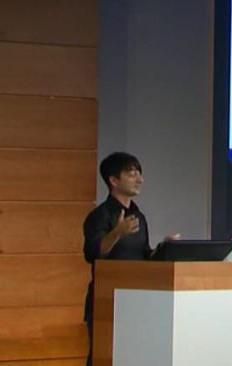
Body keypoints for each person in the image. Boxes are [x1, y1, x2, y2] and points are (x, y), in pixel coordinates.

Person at [81, 152, 176, 365]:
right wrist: (117, 233)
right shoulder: (100, 216)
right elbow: (93, 253)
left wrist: (164, 248)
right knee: (104, 357)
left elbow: (144, 257)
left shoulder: (138, 216)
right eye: (132, 174)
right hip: (107, 300)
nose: (140, 180)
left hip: (136, 299)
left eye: (139, 174)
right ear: (114, 180)